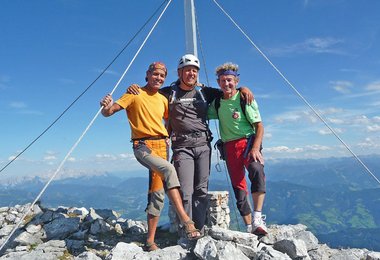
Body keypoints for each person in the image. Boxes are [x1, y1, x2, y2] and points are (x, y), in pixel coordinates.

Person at [127, 54, 253, 233]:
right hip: (182, 146)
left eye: (194, 70)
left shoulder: (205, 92)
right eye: (187, 70)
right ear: (179, 73)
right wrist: (134, 87)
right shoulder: (169, 92)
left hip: (203, 145)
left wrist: (243, 88)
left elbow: (228, 92)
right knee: (186, 190)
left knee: (201, 190)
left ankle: (198, 230)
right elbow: (149, 91)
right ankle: (187, 231)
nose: (191, 73)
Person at [99, 61, 201, 251]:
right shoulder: (134, 93)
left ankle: (150, 241)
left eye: (162, 76)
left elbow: (168, 119)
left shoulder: (162, 99)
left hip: (162, 145)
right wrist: (106, 106)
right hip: (143, 145)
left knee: (157, 195)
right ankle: (187, 221)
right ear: (147, 74)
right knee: (169, 170)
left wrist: (168, 135)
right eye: (155, 75)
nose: (159, 78)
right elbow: (109, 112)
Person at [207, 62, 267, 236]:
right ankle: (249, 226)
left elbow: (260, 126)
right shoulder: (217, 103)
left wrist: (255, 148)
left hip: (248, 143)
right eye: (223, 80)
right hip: (229, 147)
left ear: (237, 80)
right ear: (218, 82)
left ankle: (257, 217)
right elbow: (203, 112)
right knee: (238, 187)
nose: (227, 84)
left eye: (230, 80)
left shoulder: (244, 98)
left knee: (256, 170)